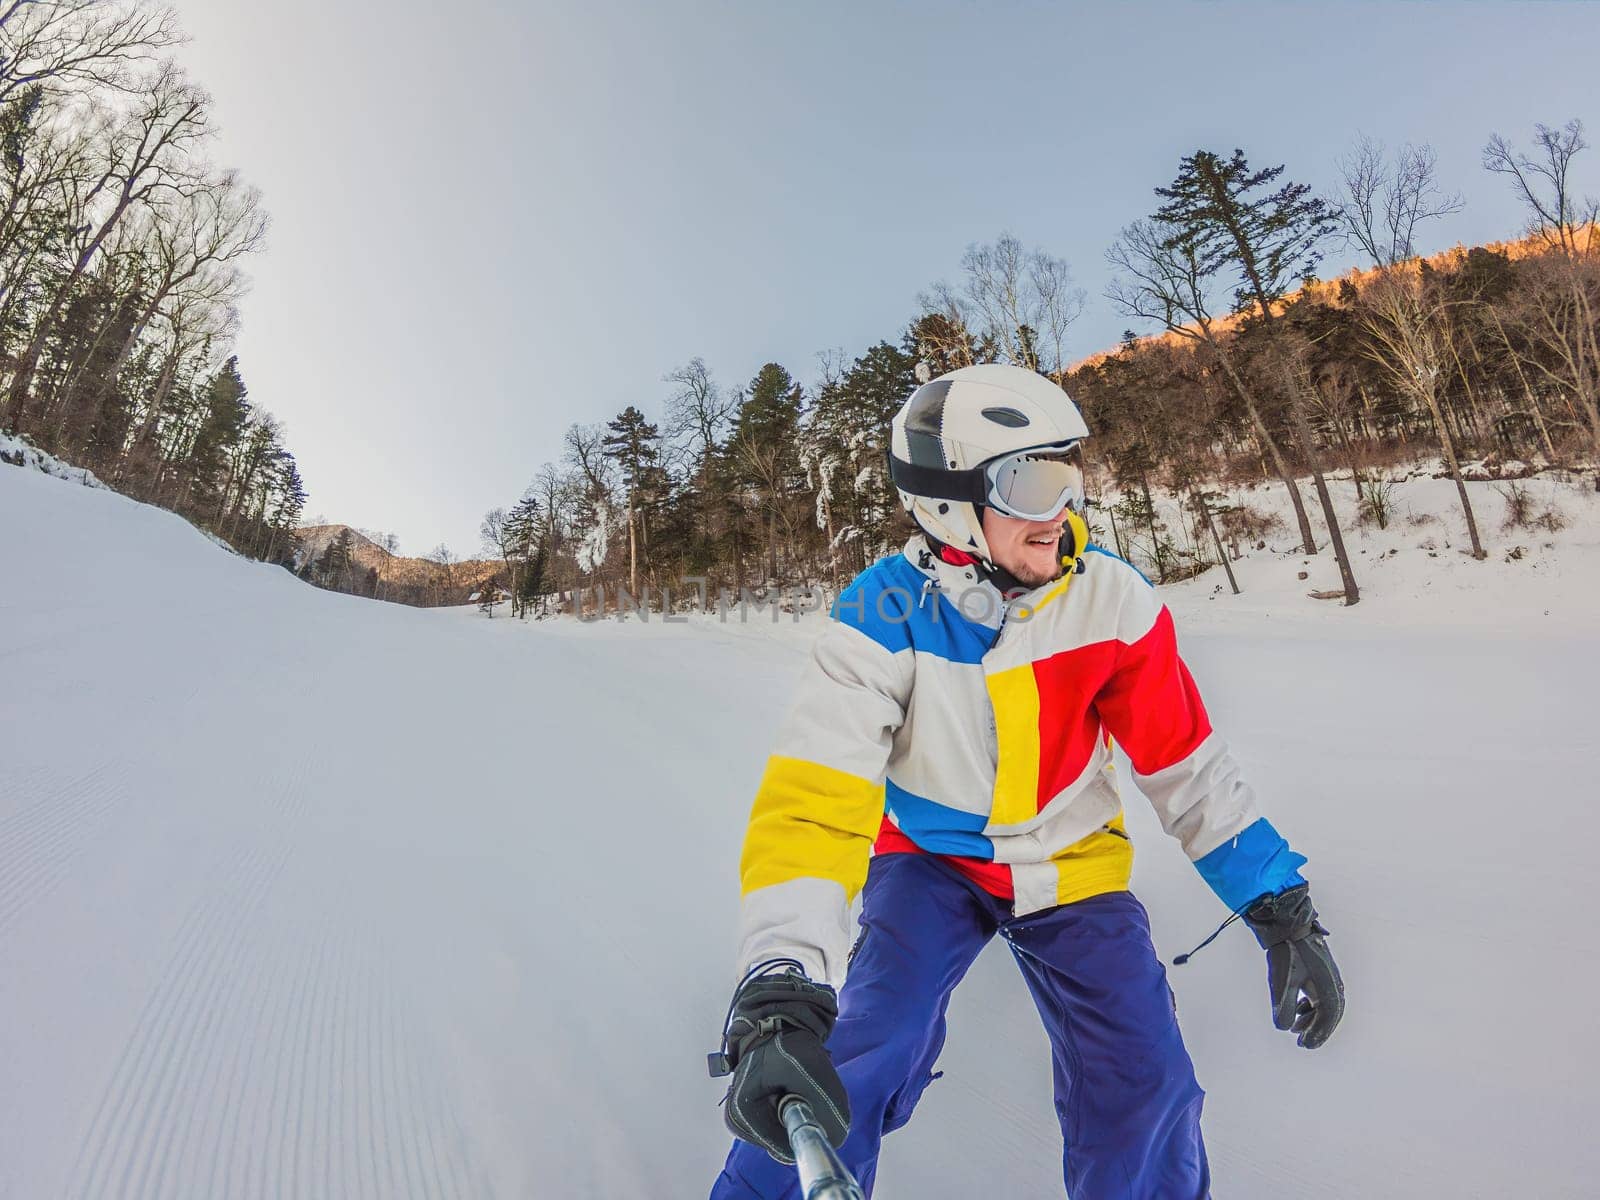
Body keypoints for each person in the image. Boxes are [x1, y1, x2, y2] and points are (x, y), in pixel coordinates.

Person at [707, 364, 1344, 1199]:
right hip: (932, 863)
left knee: (1144, 1081)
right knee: (855, 1054)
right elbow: (815, 806)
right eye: (1031, 485)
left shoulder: (1110, 602)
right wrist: (783, 979)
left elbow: (1184, 763)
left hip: (1071, 863)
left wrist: (1278, 906)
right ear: (949, 504)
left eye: (1068, 483)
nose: (1061, 516)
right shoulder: (881, 617)